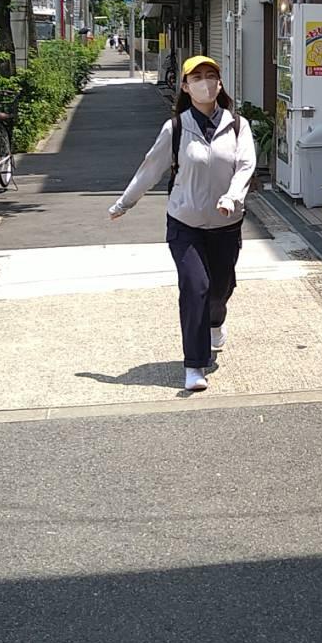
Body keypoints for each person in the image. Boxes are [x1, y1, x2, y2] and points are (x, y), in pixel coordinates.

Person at [108, 55, 257, 392]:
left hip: (226, 224)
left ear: (220, 83)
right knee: (195, 287)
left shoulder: (237, 125)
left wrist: (232, 197)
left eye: (211, 76)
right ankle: (194, 364)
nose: (205, 83)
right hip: (185, 223)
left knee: (220, 290)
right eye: (197, 77)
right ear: (186, 87)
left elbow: (246, 166)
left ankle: (216, 321)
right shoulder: (175, 128)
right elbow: (150, 168)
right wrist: (124, 203)